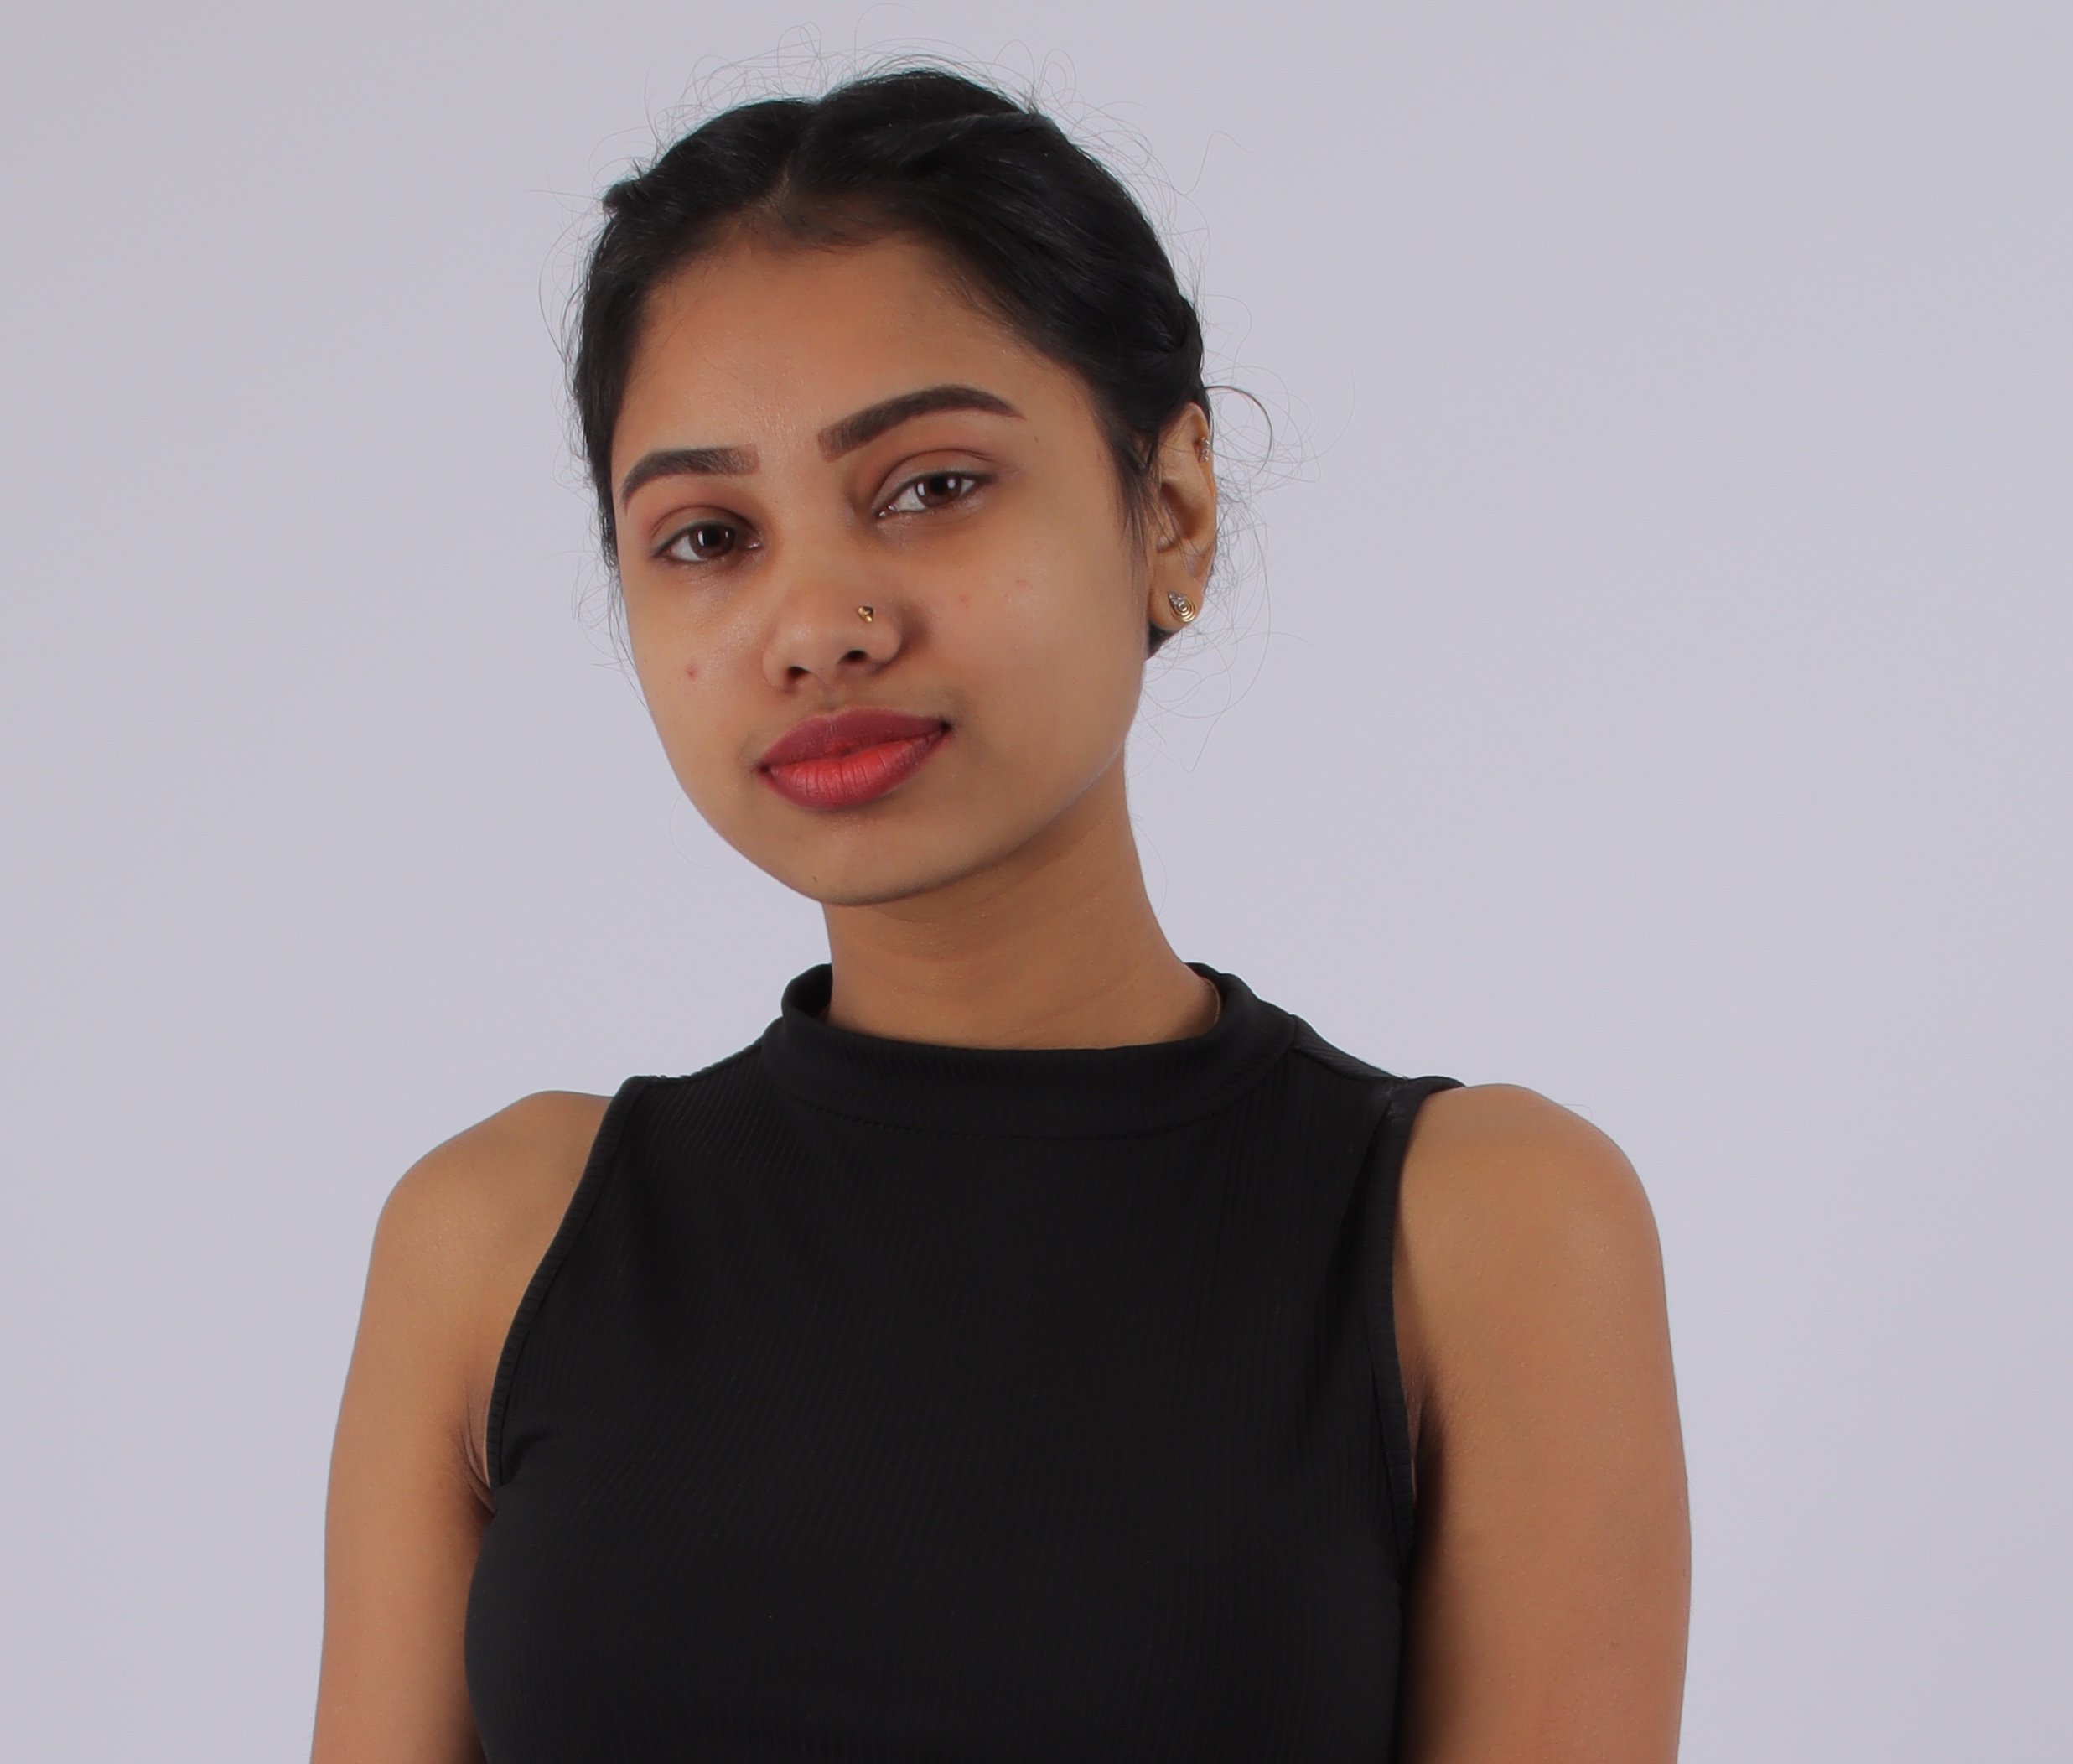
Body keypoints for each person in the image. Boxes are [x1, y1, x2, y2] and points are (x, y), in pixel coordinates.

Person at [312, 68, 1689, 1763]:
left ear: (1169, 506)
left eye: (930, 486)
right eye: (707, 534)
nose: (816, 624)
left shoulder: (1479, 1231)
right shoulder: (496, 1244)